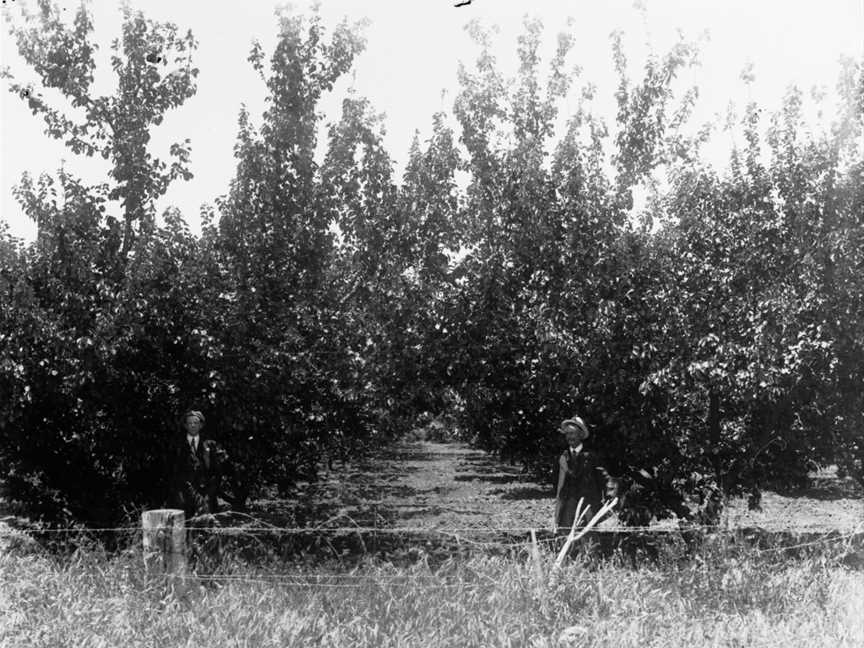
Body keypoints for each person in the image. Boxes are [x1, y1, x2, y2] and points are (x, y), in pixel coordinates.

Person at [554, 416, 615, 534]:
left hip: (588, 505)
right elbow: (558, 484)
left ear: (580, 435)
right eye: (567, 434)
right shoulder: (562, 457)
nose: (569, 437)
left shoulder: (592, 457)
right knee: (566, 536)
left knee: (589, 537)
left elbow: (603, 479)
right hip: (568, 504)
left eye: (572, 433)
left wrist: (606, 501)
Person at [169, 409, 221, 520]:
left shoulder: (210, 444)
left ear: (201, 425)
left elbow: (217, 473)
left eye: (196, 422)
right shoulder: (177, 444)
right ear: (185, 426)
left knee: (204, 528)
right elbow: (172, 471)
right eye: (189, 423)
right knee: (184, 528)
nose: (193, 425)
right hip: (183, 495)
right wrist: (178, 493)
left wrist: (209, 495)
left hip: (205, 495)